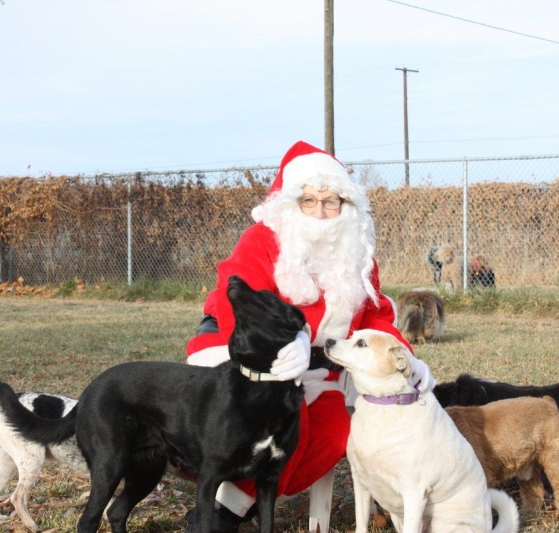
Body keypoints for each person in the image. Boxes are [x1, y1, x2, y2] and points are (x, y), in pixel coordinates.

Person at [184, 140, 436, 532]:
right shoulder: (262, 240)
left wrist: (408, 358)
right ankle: (218, 512)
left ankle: (239, 503)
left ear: (346, 207)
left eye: (331, 201)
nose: (320, 212)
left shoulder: (357, 256)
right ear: (290, 203)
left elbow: (376, 318)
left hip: (319, 371)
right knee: (285, 416)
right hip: (247, 358)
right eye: (309, 201)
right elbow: (239, 300)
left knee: (336, 432)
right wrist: (286, 342)